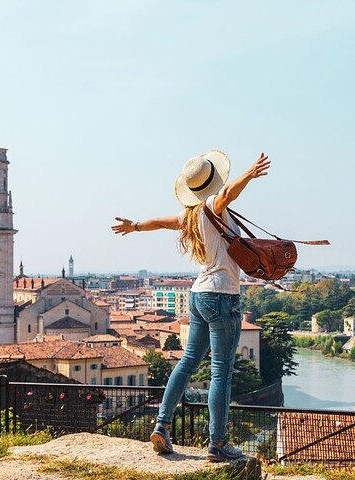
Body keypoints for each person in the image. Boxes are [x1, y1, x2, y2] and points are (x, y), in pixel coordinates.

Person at [111, 150, 270, 461]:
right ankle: (219, 443)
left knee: (186, 363)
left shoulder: (189, 216)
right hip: (222, 296)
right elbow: (226, 194)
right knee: (221, 372)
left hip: (198, 296)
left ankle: (161, 425)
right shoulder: (213, 206)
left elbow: (159, 221)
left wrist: (136, 226)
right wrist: (250, 173)